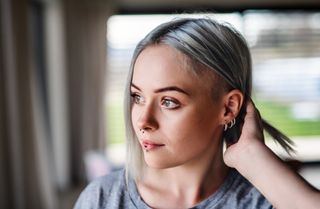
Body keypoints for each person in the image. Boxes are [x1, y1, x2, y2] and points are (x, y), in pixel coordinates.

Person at [74, 17, 320, 209]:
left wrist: (252, 156)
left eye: (169, 101)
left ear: (228, 108)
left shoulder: (266, 200)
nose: (143, 121)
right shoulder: (102, 199)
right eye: (138, 97)